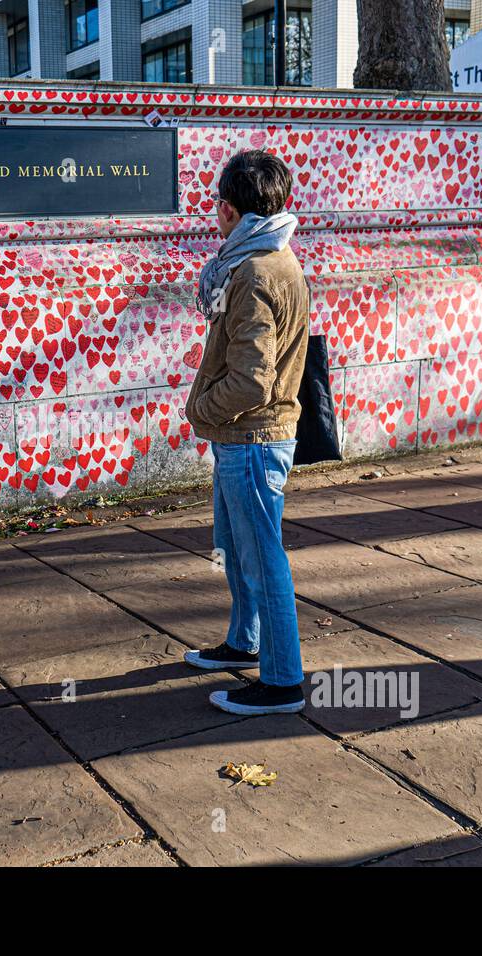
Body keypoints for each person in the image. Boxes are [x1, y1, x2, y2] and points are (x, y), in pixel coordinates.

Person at [183, 149, 312, 716]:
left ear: (230, 210)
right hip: (248, 439)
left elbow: (252, 381)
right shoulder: (273, 257)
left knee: (263, 559)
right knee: (237, 550)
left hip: (253, 438)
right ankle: (244, 642)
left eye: (216, 203)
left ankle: (282, 681)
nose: (214, 212)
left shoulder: (256, 271)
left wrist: (201, 410)